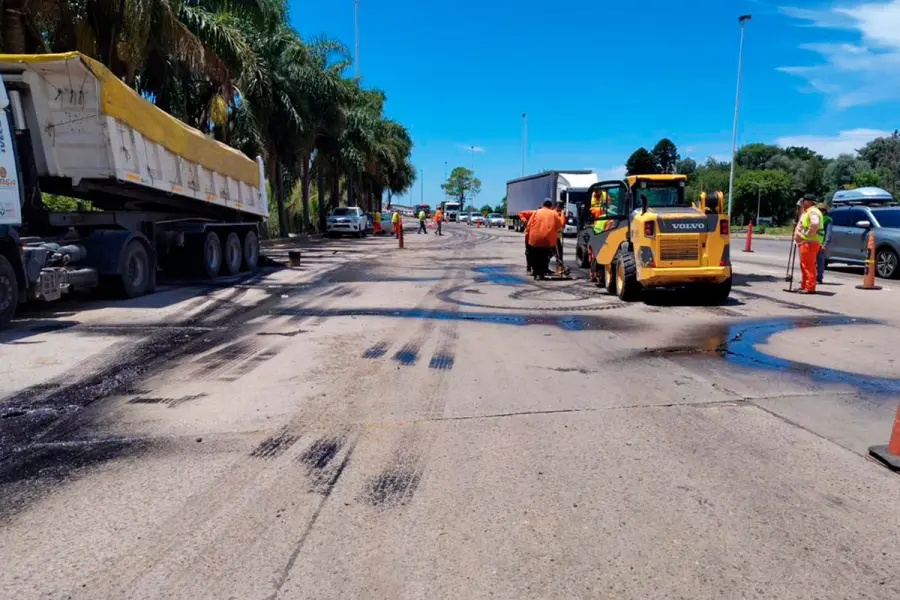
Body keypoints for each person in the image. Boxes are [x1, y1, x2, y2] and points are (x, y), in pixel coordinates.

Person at [524, 199, 563, 279]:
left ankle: (536, 272)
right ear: (551, 206)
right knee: (545, 255)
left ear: (543, 205)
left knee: (535, 255)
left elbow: (529, 225)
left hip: (534, 239)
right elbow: (559, 227)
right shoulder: (554, 213)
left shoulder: (536, 212)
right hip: (548, 241)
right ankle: (542, 272)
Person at [793, 194, 823, 294]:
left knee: (809, 265)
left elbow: (814, 224)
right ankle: (805, 285)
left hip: (809, 242)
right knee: (804, 265)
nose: (803, 203)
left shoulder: (813, 211)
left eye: (805, 200)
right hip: (807, 242)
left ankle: (810, 287)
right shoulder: (808, 212)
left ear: (810, 202)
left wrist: (804, 235)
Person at [816, 202, 832, 284]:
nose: (819, 211)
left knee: (820, 262)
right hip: (814, 242)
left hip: (821, 244)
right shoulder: (815, 218)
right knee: (812, 262)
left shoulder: (827, 220)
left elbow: (828, 234)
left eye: (821, 210)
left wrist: (825, 245)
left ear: (825, 211)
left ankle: (819, 278)